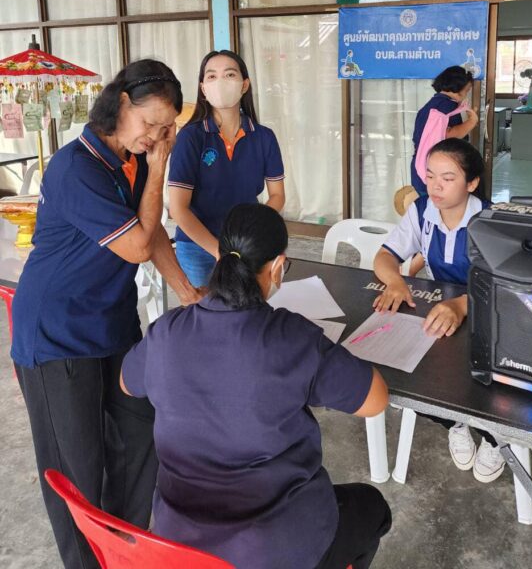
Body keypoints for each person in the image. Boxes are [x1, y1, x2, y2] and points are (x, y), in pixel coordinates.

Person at [121, 203, 392, 569]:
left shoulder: (167, 332)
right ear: (278, 267)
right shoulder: (291, 338)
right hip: (270, 547)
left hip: (179, 545)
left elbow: (127, 383)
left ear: (220, 258)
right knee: (373, 508)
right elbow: (376, 400)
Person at [11, 60, 205, 569]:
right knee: (75, 471)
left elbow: (151, 231)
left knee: (141, 434)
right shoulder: (76, 167)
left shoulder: (129, 160)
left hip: (112, 324)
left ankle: (122, 548)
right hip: (57, 332)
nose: (157, 138)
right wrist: (160, 169)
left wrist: (189, 292)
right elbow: (138, 245)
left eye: (167, 129)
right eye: (150, 124)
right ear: (120, 105)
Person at [374, 138, 505, 484]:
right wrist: (396, 282)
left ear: (472, 183)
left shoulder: (491, 221)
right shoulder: (422, 212)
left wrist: (461, 305)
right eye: (430, 175)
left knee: (491, 379)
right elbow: (385, 256)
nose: (435, 186)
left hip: (488, 310)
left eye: (447, 178)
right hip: (437, 306)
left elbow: (505, 284)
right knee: (412, 376)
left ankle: (494, 438)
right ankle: (455, 422)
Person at [169, 49, 285, 287]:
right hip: (198, 248)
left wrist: (251, 232)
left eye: (230, 74)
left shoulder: (264, 137)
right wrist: (219, 252)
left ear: (244, 85)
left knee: (246, 307)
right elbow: (178, 209)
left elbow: (277, 195)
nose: (220, 81)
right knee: (203, 309)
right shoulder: (190, 138)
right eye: (211, 76)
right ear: (203, 89)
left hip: (246, 247)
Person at [410, 65, 478, 196]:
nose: (466, 94)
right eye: (467, 90)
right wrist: (472, 121)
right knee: (440, 207)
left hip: (421, 168)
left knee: (427, 205)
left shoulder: (432, 104)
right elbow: (449, 135)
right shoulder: (448, 105)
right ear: (458, 87)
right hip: (437, 173)